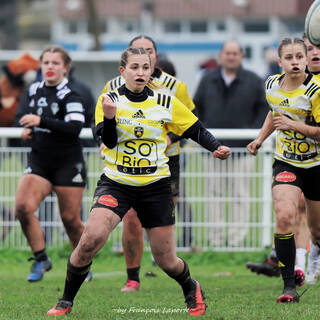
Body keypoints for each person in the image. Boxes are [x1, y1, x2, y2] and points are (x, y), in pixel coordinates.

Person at [47, 46, 230, 316]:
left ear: (151, 70)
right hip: (116, 183)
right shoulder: (108, 100)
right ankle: (65, 300)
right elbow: (107, 140)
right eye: (134, 67)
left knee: (166, 260)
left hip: (156, 187)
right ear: (123, 71)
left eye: (145, 67)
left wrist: (215, 147)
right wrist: (110, 117)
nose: (140, 72)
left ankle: (191, 287)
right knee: (90, 240)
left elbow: (194, 128)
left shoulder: (165, 101)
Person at [99, 35, 196, 292]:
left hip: (166, 161)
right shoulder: (113, 86)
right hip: (127, 165)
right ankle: (133, 276)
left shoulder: (175, 86)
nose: (145, 58)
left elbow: (190, 122)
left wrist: (169, 137)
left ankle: (165, 261)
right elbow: (102, 120)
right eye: (139, 55)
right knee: (130, 218)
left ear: (155, 57)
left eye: (150, 52)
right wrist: (105, 138)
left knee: (160, 222)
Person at [247, 37, 320, 302]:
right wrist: (259, 139)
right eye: (289, 58)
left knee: (317, 230)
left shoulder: (315, 91)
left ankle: (313, 258)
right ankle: (289, 286)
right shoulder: (271, 85)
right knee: (285, 216)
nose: (295, 62)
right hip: (287, 162)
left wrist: (294, 125)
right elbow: (274, 113)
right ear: (280, 62)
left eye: (299, 57)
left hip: (316, 165)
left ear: (306, 59)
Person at [14, 45, 91, 282]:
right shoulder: (33, 90)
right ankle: (40, 259)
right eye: (45, 62)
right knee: (23, 207)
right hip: (40, 162)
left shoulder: (71, 94)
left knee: (71, 220)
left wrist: (41, 121)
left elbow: (74, 128)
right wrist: (26, 128)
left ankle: (82, 264)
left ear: (65, 68)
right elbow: (21, 117)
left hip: (68, 163)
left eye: (55, 63)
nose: (49, 67)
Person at [193, 40, 269, 247]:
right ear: (221, 56)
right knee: (214, 195)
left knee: (240, 195)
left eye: (235, 53)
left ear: (241, 57)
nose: (231, 56)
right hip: (213, 149)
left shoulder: (253, 81)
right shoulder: (207, 79)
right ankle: (216, 240)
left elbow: (263, 111)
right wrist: (206, 136)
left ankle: (237, 241)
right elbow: (195, 108)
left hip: (242, 150)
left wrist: (250, 136)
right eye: (227, 53)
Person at [0, 53, 39, 241]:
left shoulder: (31, 90)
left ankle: (44, 229)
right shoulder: (5, 86)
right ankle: (6, 214)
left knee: (38, 179)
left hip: (26, 138)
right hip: (6, 136)